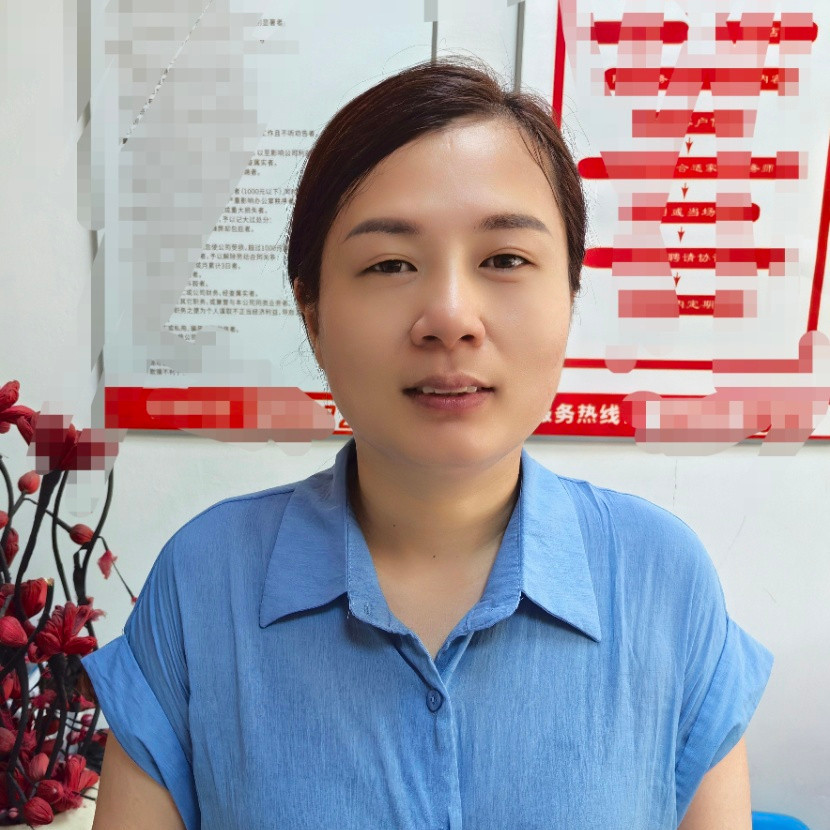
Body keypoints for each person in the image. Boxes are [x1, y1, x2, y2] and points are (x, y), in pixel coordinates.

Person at [83, 57, 773, 830]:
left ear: (570, 295)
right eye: (390, 264)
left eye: (504, 259)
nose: (449, 317)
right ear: (312, 315)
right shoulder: (203, 584)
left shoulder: (662, 582)